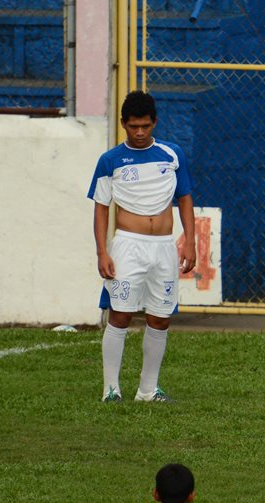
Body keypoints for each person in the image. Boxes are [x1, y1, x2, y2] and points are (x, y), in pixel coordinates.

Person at [89, 90, 196, 403]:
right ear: (123, 124)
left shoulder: (172, 154)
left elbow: (186, 197)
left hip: (164, 248)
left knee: (160, 317)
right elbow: (100, 208)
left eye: (145, 126)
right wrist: (102, 252)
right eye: (133, 126)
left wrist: (189, 241)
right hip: (127, 247)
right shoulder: (110, 161)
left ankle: (148, 389)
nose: (139, 132)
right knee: (120, 315)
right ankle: (111, 388)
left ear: (155, 123)